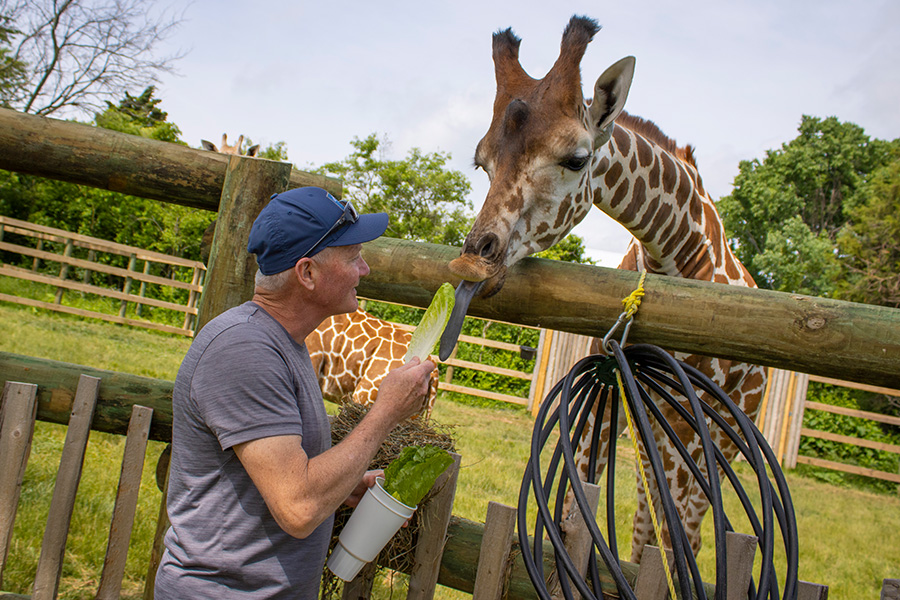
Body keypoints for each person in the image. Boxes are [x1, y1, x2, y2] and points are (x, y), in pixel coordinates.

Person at [154, 187, 436, 599]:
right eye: (353, 256)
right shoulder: (244, 350)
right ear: (307, 273)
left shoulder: (284, 342)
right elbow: (299, 508)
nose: (366, 269)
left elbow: (281, 475)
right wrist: (386, 412)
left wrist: (345, 486)